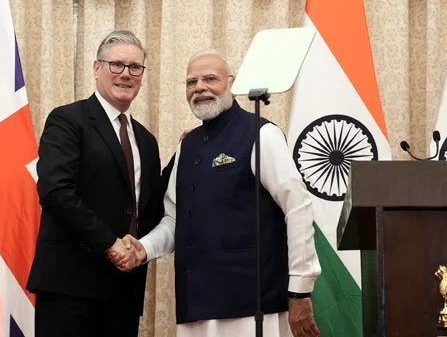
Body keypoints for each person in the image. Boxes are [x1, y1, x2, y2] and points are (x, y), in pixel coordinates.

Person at [115, 49, 321, 337]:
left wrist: (300, 289)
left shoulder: (261, 134)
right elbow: (174, 220)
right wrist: (144, 248)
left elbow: (297, 208)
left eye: (210, 78)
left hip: (252, 304)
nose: (199, 87)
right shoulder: (187, 146)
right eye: (191, 82)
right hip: (195, 304)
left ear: (231, 84)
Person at [26, 30, 165, 337]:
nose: (126, 74)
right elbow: (55, 191)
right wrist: (109, 244)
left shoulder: (146, 140)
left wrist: (187, 151)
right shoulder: (67, 120)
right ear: (96, 68)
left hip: (123, 292)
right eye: (116, 64)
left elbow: (151, 207)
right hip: (69, 288)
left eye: (135, 67)